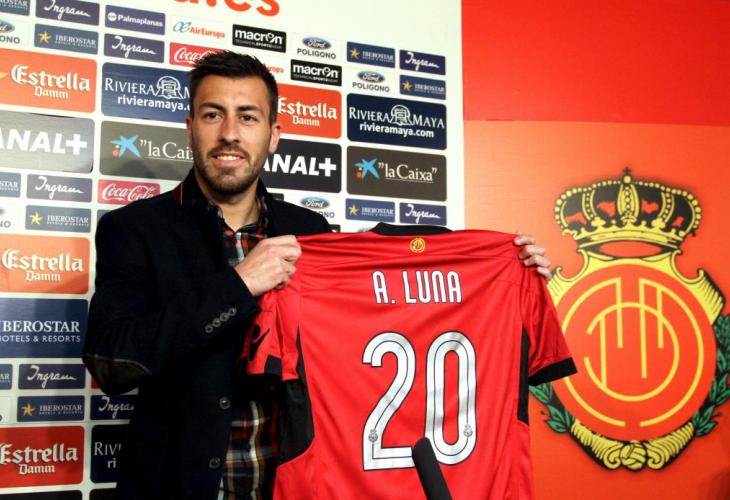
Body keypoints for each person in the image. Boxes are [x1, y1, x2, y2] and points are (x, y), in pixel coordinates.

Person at [82, 51, 553, 500]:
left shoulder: (310, 230)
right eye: (212, 115)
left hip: (294, 485)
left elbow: (387, 315)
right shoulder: (133, 229)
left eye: (248, 117)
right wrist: (238, 285)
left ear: (273, 135)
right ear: (190, 128)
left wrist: (503, 279)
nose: (229, 133)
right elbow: (112, 363)